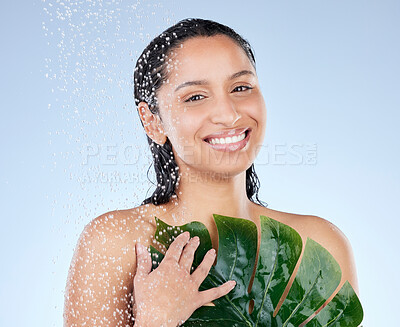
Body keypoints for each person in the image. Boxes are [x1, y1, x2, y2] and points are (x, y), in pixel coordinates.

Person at [64, 18, 359, 326]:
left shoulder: (318, 245)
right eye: (195, 96)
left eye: (241, 87)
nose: (229, 114)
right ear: (153, 121)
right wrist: (156, 320)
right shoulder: (116, 242)